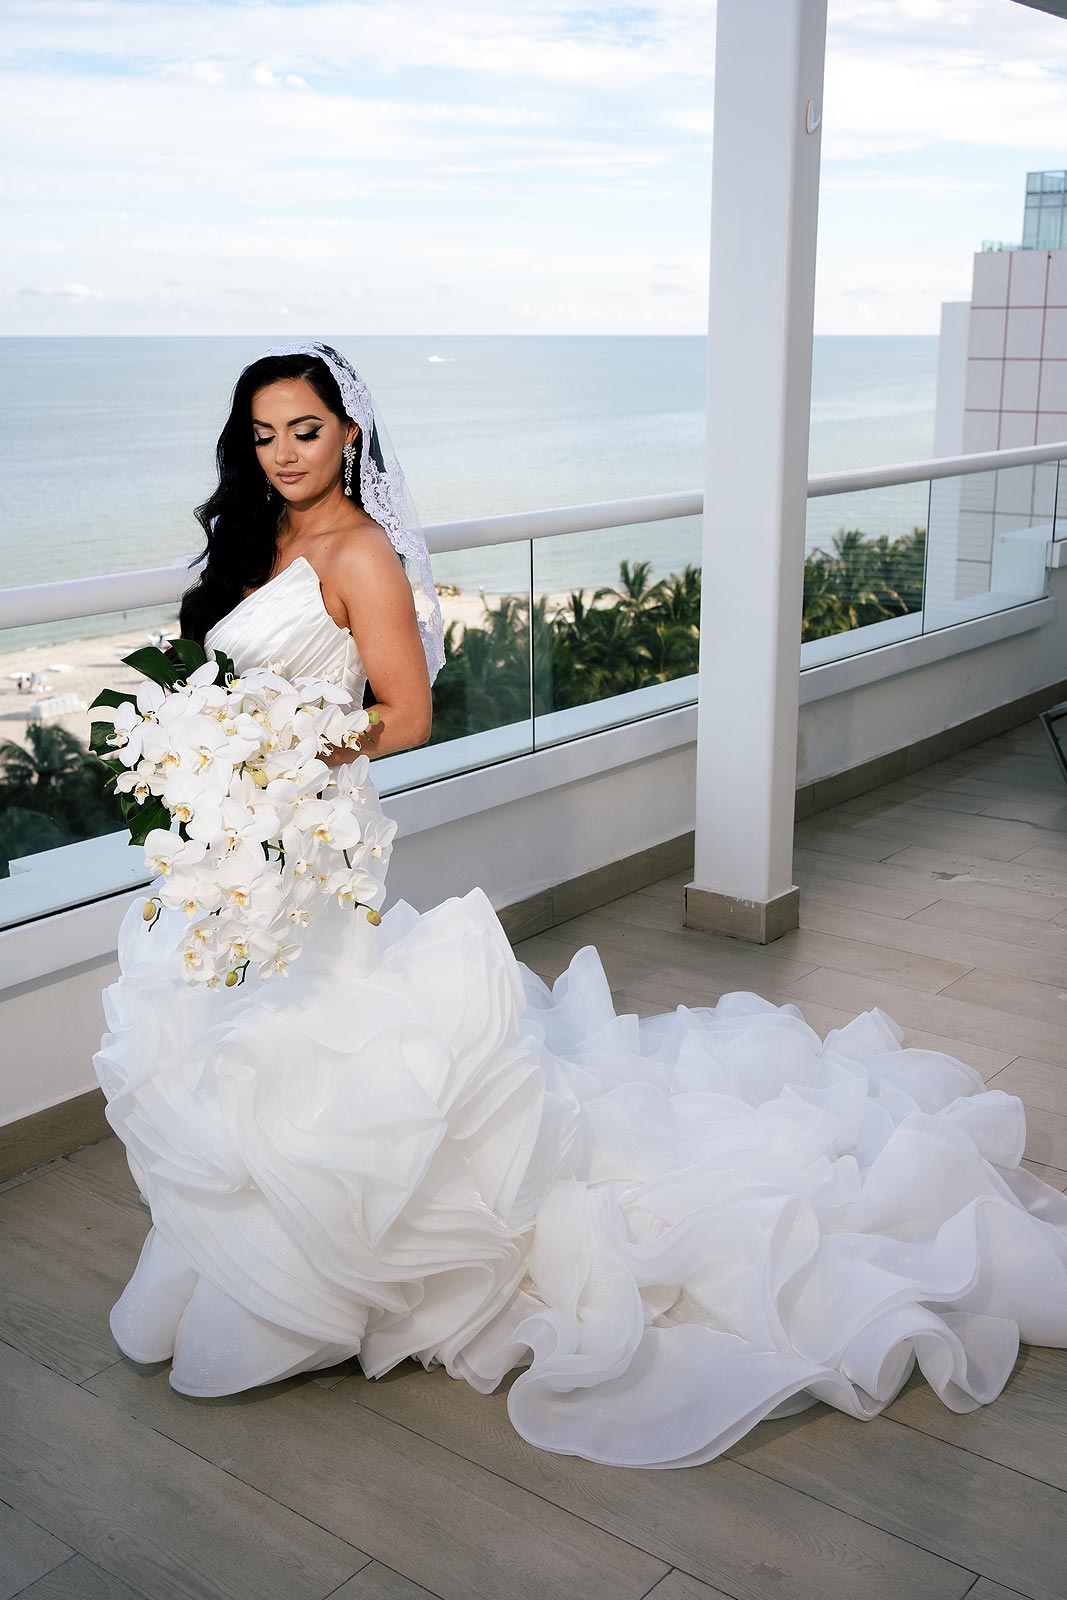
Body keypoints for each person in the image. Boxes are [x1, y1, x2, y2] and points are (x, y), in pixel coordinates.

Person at [93, 340, 1067, 1471]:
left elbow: (404, 715)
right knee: (232, 1032)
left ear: (348, 434)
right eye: (262, 435)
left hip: (313, 836)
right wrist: (215, 750)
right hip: (243, 837)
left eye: (303, 430)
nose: (283, 453)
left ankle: (335, 1281)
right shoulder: (257, 539)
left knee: (309, 1037)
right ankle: (245, 1268)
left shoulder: (357, 553)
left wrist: (276, 744)